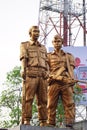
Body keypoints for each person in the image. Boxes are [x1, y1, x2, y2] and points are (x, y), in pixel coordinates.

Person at [20, 25, 49, 126]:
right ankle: (26, 120)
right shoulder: (25, 45)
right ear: (30, 33)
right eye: (35, 31)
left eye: (38, 31)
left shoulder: (43, 48)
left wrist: (48, 72)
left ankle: (43, 121)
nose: (37, 33)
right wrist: (23, 70)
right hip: (31, 73)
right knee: (28, 98)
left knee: (43, 100)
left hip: (42, 75)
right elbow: (24, 58)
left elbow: (47, 62)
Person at [47, 34, 75, 128]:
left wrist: (72, 81)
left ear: (62, 43)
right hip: (53, 83)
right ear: (52, 43)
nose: (57, 43)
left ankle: (69, 123)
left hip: (65, 83)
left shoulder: (68, 56)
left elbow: (71, 70)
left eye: (58, 41)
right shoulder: (48, 56)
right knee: (51, 104)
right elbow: (46, 72)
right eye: (55, 41)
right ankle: (50, 123)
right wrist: (56, 77)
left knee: (69, 103)